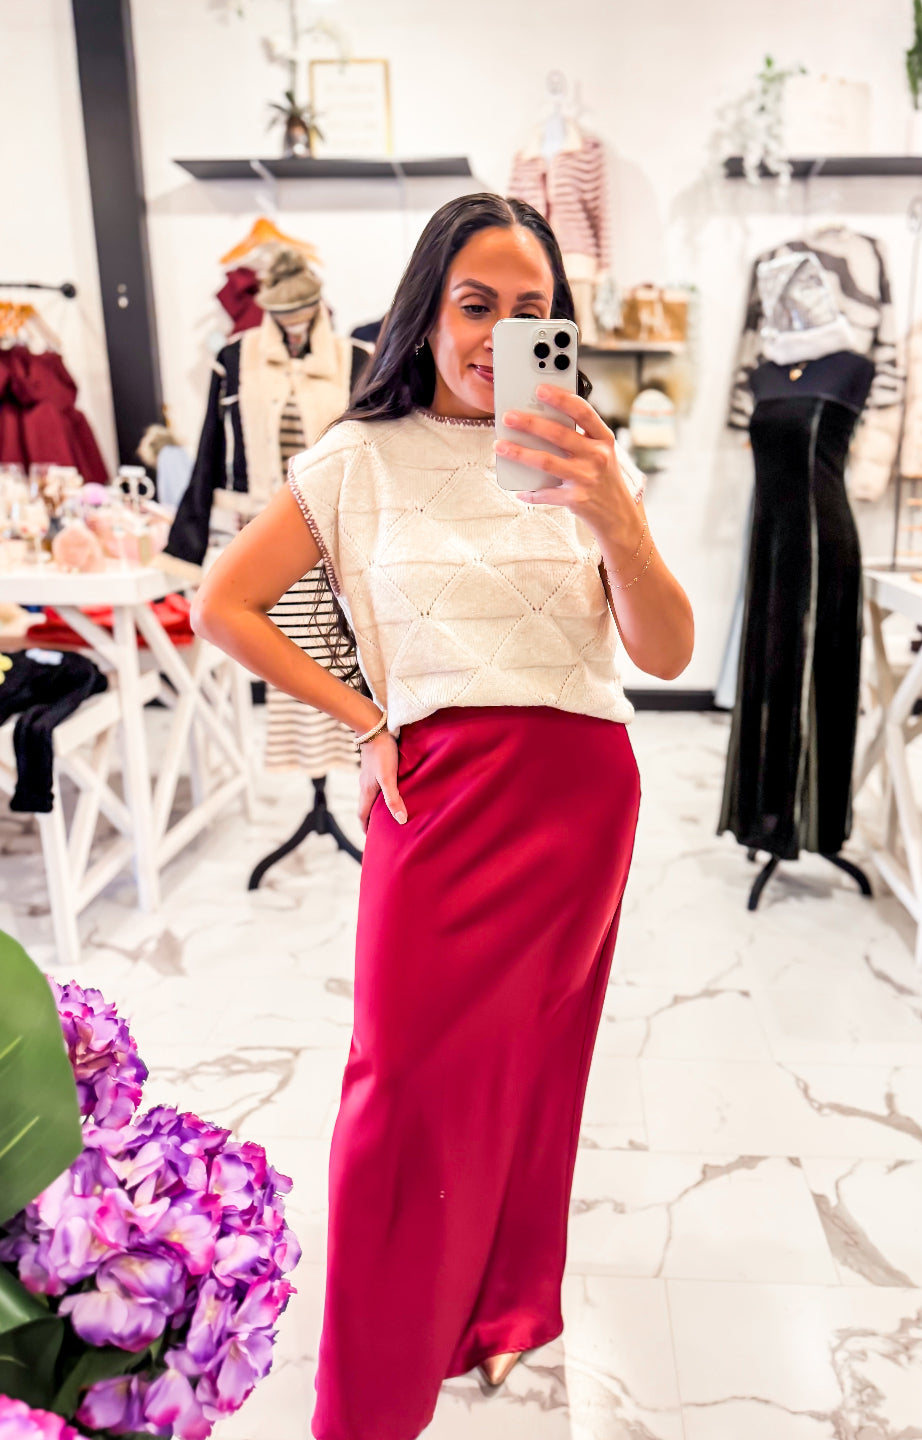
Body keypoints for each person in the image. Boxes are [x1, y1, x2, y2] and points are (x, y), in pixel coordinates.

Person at [191, 192, 694, 1440]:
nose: (498, 335)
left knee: (533, 1072)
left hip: (580, 802)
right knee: (399, 1088)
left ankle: (501, 1312)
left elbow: (667, 651)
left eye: (532, 312)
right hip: (444, 801)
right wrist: (364, 718)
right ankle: (368, 1399)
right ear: (425, 314)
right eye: (477, 305)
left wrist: (613, 513)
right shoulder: (356, 459)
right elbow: (225, 605)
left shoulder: (588, 455)